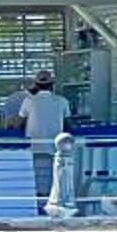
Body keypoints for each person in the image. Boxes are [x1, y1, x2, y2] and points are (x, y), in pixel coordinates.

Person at [12, 69, 72, 205]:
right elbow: (69, 125)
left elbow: (17, 124)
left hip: (34, 149)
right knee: (54, 183)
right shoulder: (62, 101)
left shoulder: (29, 101)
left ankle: (36, 206)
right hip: (56, 149)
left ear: (36, 85)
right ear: (52, 85)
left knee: (34, 183)